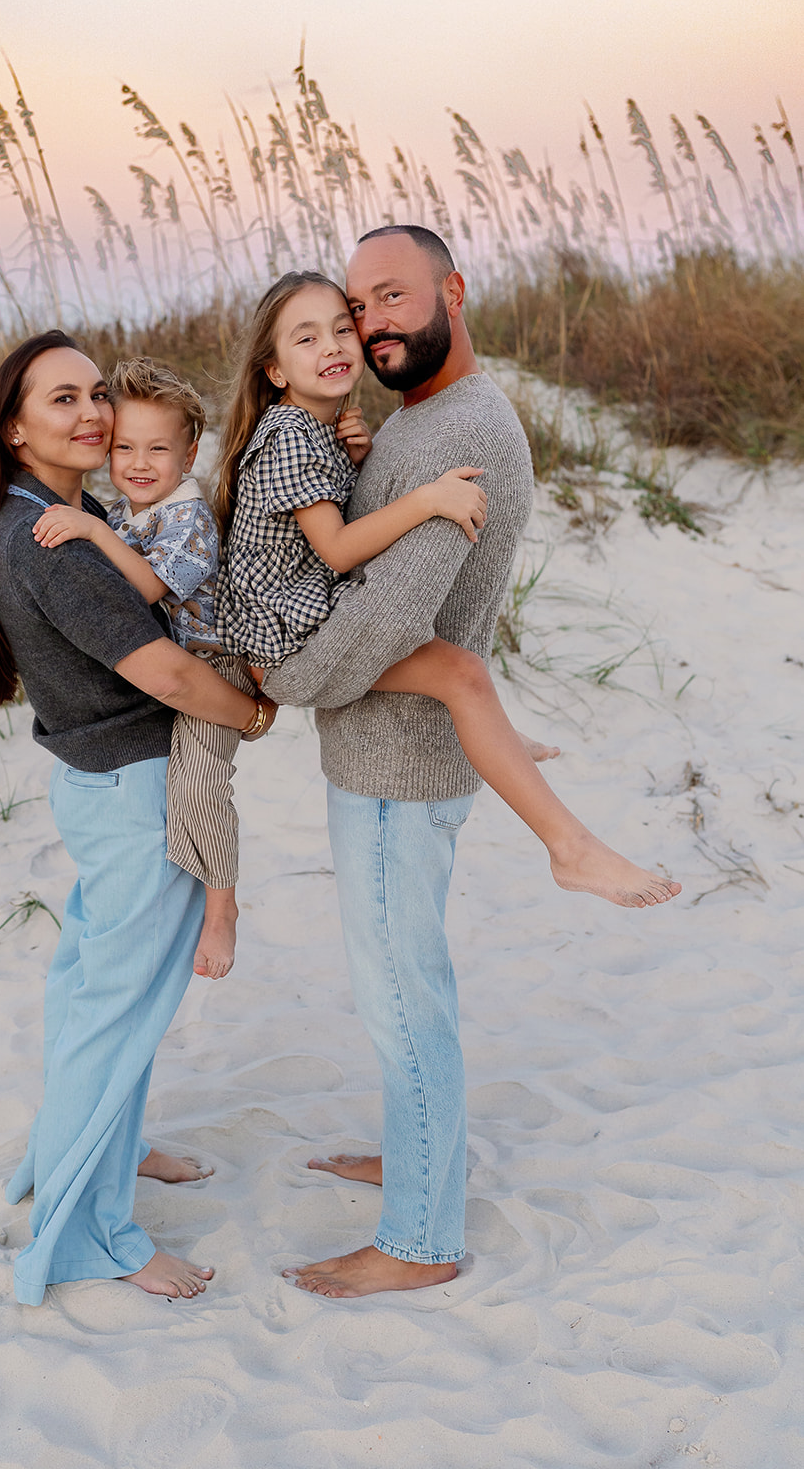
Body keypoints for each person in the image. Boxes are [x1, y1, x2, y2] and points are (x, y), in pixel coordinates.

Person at [227, 230, 680, 1297]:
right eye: (352, 309)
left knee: (400, 999)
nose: (370, 323)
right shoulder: (422, 421)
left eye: (389, 298)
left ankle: (417, 1242)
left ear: (452, 292)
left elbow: (390, 620)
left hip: (395, 775)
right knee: (408, 985)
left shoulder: (453, 434)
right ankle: (418, 1157)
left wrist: (285, 683)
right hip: (401, 754)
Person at [0, 329, 274, 1306]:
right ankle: (94, 1232)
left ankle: (108, 1148)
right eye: (61, 400)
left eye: (95, 392)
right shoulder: (49, 540)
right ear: (15, 430)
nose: (92, 413)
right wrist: (250, 714)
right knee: (115, 1015)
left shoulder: (64, 513)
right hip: (134, 790)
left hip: (103, 784)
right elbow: (169, 671)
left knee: (95, 1001)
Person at [213, 267, 679, 910]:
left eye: (342, 329)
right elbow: (340, 547)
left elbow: (332, 523)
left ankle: (509, 754)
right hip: (284, 651)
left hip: (302, 625)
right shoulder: (289, 436)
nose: (334, 347)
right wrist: (427, 497)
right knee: (461, 674)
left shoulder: (316, 429)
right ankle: (569, 848)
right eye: (306, 338)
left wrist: (359, 455)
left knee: (462, 676)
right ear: (274, 371)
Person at [29, 356, 258, 982]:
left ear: (187, 458)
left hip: (216, 668)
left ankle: (222, 905)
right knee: (180, 795)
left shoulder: (186, 517)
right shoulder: (130, 511)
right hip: (179, 670)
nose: (137, 462)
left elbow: (150, 589)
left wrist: (91, 529)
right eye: (124, 446)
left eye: (158, 449)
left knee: (201, 783)